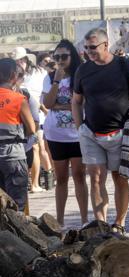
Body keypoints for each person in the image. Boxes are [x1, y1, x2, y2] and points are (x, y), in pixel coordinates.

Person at [72, 28, 129, 234]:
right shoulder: (83, 70)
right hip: (91, 133)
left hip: (120, 133)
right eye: (86, 48)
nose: (89, 52)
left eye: (93, 47)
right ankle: (102, 225)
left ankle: (120, 223)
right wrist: (80, 128)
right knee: (95, 177)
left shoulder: (124, 66)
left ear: (106, 44)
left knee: (119, 178)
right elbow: (76, 101)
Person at [42, 39, 89, 228]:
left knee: (79, 175)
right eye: (57, 56)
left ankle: (85, 219)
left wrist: (61, 105)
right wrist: (56, 80)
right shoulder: (51, 76)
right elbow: (47, 103)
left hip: (77, 134)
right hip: (56, 135)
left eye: (64, 56)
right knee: (61, 178)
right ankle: (59, 221)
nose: (60, 60)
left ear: (73, 56)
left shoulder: (81, 75)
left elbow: (84, 102)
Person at [13, 47, 54, 192]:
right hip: (23, 115)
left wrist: (43, 107)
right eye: (17, 60)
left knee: (38, 147)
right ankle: (40, 180)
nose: (19, 62)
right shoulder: (16, 76)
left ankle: (38, 182)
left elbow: (44, 93)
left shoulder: (38, 73)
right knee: (38, 148)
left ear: (26, 59)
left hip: (38, 113)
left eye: (21, 59)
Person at [0, 58, 35, 210]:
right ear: (14, 76)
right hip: (13, 154)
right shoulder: (19, 99)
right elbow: (32, 129)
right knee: (17, 203)